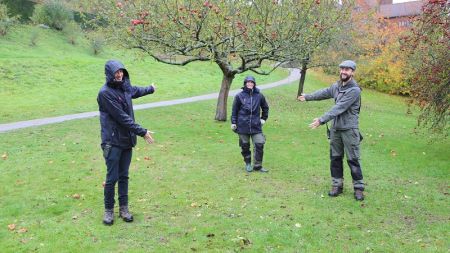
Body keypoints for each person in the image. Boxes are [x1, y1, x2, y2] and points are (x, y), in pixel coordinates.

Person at [97, 60, 156, 225]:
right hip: (112, 141)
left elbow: (135, 91)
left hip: (126, 141)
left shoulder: (124, 87)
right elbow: (122, 117)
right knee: (112, 177)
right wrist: (142, 132)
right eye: (116, 72)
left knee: (124, 176)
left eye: (121, 72)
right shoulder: (105, 93)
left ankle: (124, 208)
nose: (119, 74)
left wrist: (150, 89)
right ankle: (109, 210)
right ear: (109, 74)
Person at [297, 60, 365, 201]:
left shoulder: (354, 90)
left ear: (352, 72)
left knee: (353, 160)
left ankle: (358, 188)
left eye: (347, 70)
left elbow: (339, 107)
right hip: (335, 130)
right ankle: (337, 186)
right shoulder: (337, 86)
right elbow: (324, 92)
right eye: (342, 69)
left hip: (349, 130)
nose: (344, 72)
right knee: (335, 158)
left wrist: (321, 120)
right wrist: (308, 97)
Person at [231, 76, 269, 173]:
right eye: (248, 82)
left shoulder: (259, 95)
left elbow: (265, 108)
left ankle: (258, 165)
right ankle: (248, 163)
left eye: (251, 82)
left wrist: (263, 119)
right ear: (245, 83)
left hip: (256, 126)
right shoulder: (239, 96)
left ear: (254, 83)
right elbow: (234, 111)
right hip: (242, 125)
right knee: (245, 145)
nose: (250, 84)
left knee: (259, 143)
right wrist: (233, 122)